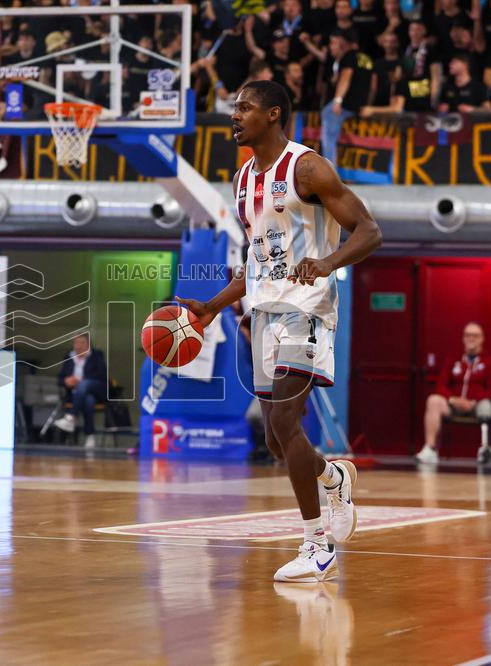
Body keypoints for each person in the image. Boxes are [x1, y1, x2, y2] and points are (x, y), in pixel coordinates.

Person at [176, 80, 381, 583]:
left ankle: (317, 543)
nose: (235, 114)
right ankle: (333, 477)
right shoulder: (244, 178)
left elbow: (370, 231)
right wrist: (211, 307)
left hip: (307, 307)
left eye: (245, 107)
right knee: (273, 437)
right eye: (234, 107)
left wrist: (328, 262)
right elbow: (256, 259)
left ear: (273, 114)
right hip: (263, 312)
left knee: (287, 423)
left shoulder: (307, 167)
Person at [416, 322, 491, 464]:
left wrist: (472, 402)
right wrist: (453, 400)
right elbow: (441, 385)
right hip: (454, 404)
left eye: (475, 335)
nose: (471, 339)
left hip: (476, 405)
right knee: (433, 400)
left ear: (482, 339)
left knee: (487, 405)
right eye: (467, 335)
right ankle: (430, 449)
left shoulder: (490, 362)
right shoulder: (453, 359)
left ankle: (484, 449)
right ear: (463, 338)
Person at [321, 28, 373, 162]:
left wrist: (338, 100)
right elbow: (373, 85)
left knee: (327, 119)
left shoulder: (348, 56)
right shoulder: (366, 58)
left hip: (346, 103)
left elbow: (346, 77)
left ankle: (330, 170)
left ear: (344, 42)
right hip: (361, 104)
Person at [53, 333, 108, 450]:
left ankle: (71, 417)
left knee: (84, 384)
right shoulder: (69, 356)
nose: (79, 346)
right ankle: (90, 436)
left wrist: (81, 380)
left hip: (95, 390)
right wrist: (66, 381)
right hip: (75, 395)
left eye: (82, 343)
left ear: (88, 344)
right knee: (88, 401)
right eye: (76, 343)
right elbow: (59, 379)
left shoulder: (96, 355)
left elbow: (102, 375)